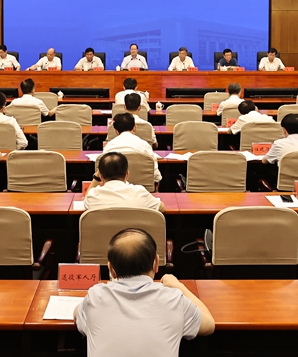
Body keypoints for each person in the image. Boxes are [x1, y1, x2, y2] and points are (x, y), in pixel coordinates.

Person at [75, 229, 214, 357]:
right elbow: (208, 325)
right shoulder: (174, 299)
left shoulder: (95, 297)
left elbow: (77, 315)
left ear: (111, 269)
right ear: (156, 263)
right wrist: (179, 286)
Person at [84, 152, 165, 212]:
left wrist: (96, 177)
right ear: (127, 174)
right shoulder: (140, 192)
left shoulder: (93, 196)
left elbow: (86, 199)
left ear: (101, 177)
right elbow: (162, 208)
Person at [104, 113, 161, 184]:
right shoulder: (144, 145)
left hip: (114, 188)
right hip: (143, 187)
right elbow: (155, 175)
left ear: (116, 131)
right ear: (135, 128)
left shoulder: (109, 146)